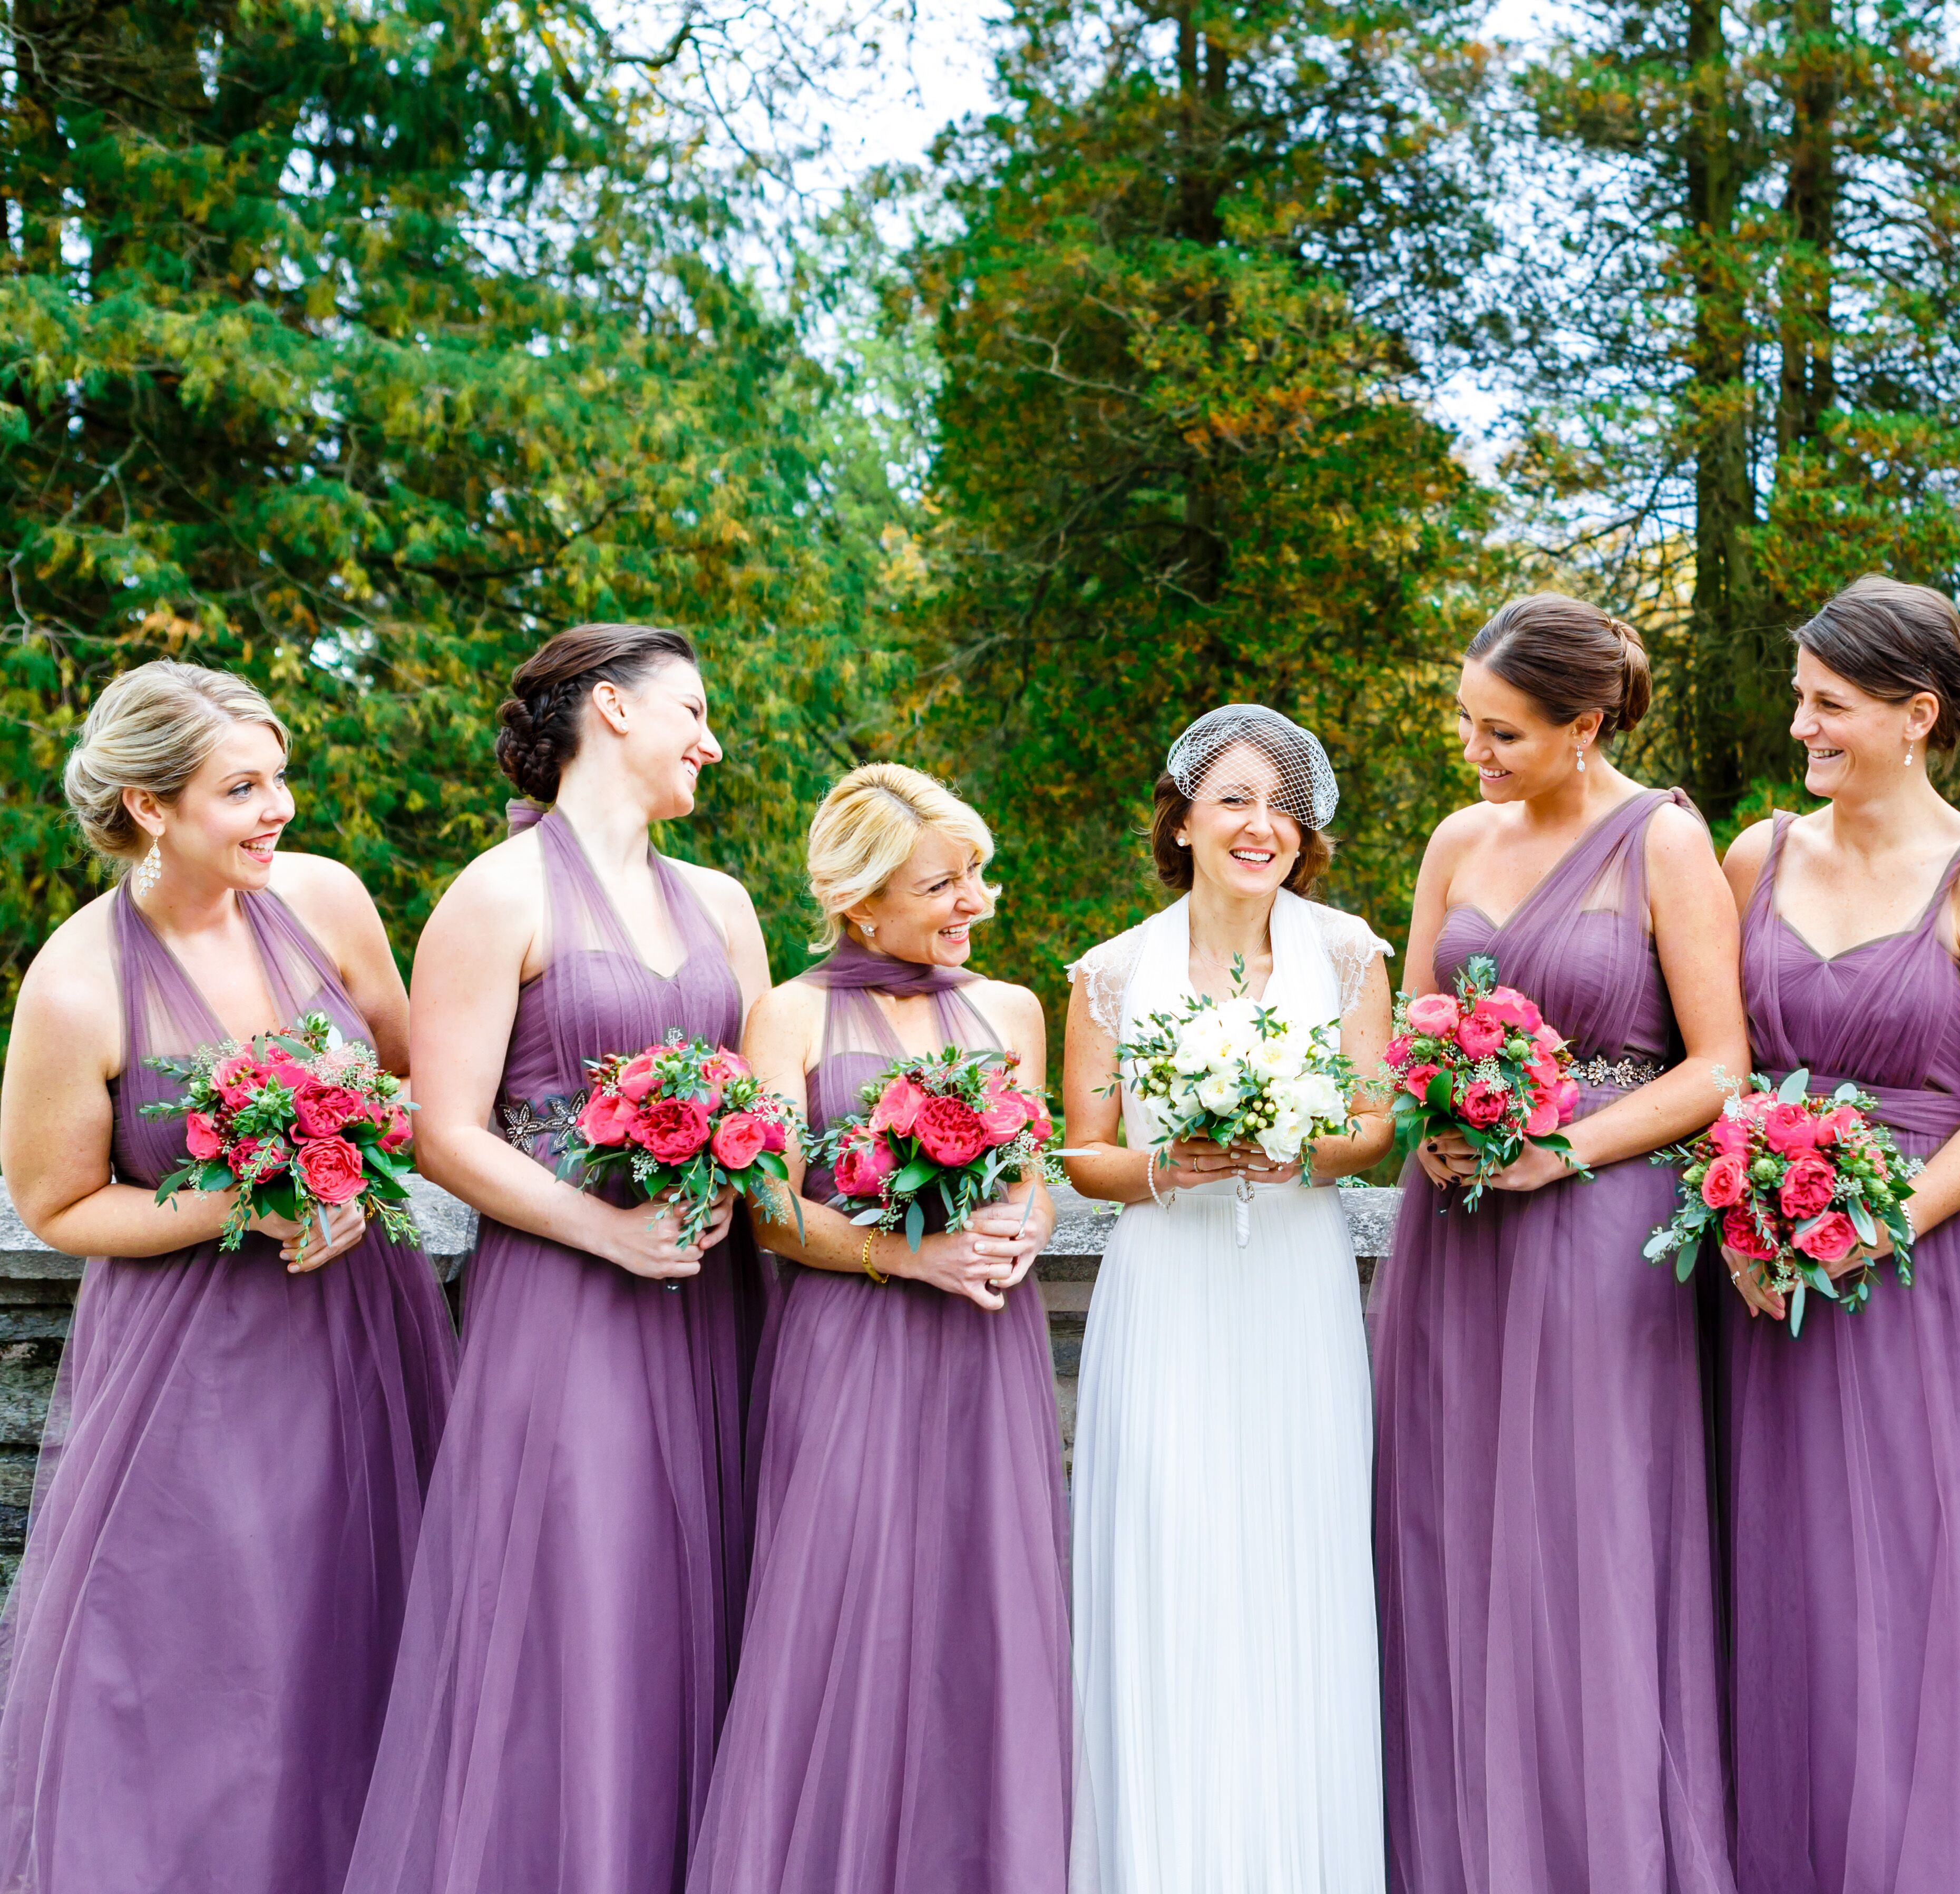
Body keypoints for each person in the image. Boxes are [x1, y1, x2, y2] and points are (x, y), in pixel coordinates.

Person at [0, 661, 454, 1894]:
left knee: (367, 1639)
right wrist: (246, 1203)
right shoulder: (77, 980)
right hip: (195, 1369)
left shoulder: (328, 900)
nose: (279, 810)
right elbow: (57, 1203)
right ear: (152, 809)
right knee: (213, 1667)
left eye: (280, 778)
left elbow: (409, 1093)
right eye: (242, 788)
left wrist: (350, 1174)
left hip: (366, 1327)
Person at [348, 623, 773, 1894]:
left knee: (708, 1607)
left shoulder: (726, 904)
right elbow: (438, 1128)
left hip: (713, 1296)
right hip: (565, 1297)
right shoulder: (498, 893)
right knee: (581, 1609)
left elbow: (774, 1095)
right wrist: (606, 1228)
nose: (711, 739)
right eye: (692, 709)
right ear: (611, 710)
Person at [1714, 578, 1960, 1894]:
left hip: (1919, 1279)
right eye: (1797, 698)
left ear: (1914, 716)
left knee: (1917, 1590)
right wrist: (1746, 1210)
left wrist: (1866, 1225)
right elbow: (1717, 1068)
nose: (1800, 727)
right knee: (1782, 1590)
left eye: (1827, 704)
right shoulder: (1753, 856)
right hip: (1760, 1274)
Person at [1373, 595, 1748, 1894]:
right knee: (1446, 1526)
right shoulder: (1454, 839)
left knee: (1581, 1542)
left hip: (1598, 1225)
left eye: (1503, 733)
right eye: (1468, 725)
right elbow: (1412, 1029)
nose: (1474, 753)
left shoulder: (1665, 841)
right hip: (1455, 1225)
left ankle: (1595, 1855)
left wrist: (1565, 1149)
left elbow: (1717, 1067)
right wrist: (1420, 1110)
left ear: (1584, 726)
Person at [689, 764, 1069, 1894]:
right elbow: (767, 1212)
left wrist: (1019, 1232)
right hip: (845, 1345)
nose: (975, 903)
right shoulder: (789, 1015)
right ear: (863, 904)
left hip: (984, 1345)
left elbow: (1036, 1180)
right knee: (834, 1612)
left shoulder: (1009, 1010)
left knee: (978, 1614)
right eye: (944, 885)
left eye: (976, 877)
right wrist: (911, 1255)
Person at [1061, 705, 1396, 1894]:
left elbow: (1373, 1125)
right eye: (1236, 801)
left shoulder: (1350, 951)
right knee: (1170, 1556)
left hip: (1292, 1284)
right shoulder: (1109, 971)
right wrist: (1165, 1167)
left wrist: (1297, 1146)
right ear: (1184, 818)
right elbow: (1084, 1154)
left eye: (1283, 808)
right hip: (1167, 1288)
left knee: (1298, 1561)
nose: (1263, 827)